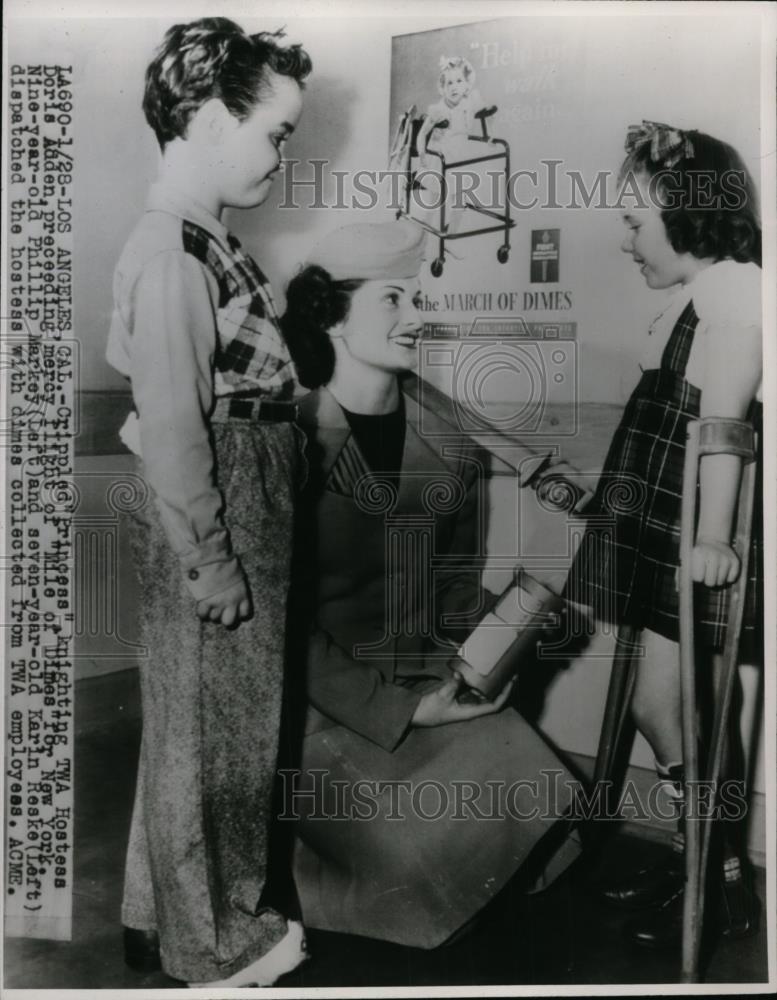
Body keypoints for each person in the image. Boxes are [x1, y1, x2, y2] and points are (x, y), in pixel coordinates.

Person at [279, 220, 583, 949]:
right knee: (430, 873)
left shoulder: (445, 437)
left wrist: (509, 626)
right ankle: (290, 863)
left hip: (421, 680)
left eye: (417, 297)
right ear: (331, 318)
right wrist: (407, 716)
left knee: (551, 817)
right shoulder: (283, 438)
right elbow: (280, 631)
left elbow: (448, 589)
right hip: (319, 712)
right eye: (393, 300)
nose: (417, 317)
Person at [105, 17, 312, 986]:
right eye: (275, 131)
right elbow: (178, 428)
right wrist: (211, 558)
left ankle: (162, 912)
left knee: (191, 723)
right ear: (202, 119)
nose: (283, 152)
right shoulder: (174, 254)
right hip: (220, 496)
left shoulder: (201, 240)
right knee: (223, 735)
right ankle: (216, 940)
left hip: (236, 484)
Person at [566, 121, 762, 947]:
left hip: (697, 536)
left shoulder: (738, 294)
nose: (625, 240)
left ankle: (716, 875)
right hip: (662, 525)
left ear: (687, 215)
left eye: (634, 222)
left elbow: (721, 427)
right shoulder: (700, 296)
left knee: (680, 704)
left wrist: (713, 536)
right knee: (661, 701)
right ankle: (707, 858)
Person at [415, 56, 484, 234]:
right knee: (435, 196)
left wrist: (489, 136)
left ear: (466, 86)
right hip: (441, 156)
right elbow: (422, 133)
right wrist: (422, 154)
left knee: (460, 197)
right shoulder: (439, 110)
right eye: (449, 83)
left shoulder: (468, 102)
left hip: (461, 157)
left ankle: (453, 232)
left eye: (459, 81)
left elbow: (484, 111)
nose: (454, 87)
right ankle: (425, 230)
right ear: (442, 89)